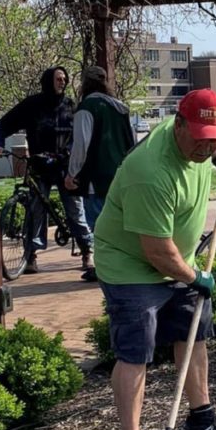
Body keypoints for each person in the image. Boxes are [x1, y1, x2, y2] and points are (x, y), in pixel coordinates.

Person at [95, 88, 216, 430]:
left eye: (215, 138)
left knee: (191, 335)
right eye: (200, 137)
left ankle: (201, 420)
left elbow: (207, 149)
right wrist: (195, 278)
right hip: (132, 267)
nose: (207, 145)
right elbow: (156, 252)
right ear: (177, 125)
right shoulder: (150, 172)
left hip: (178, 259)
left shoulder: (199, 144)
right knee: (135, 354)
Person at [0, 66, 93, 275]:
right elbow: (4, 124)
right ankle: (31, 256)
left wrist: (71, 158)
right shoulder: (32, 105)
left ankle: (87, 251)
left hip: (65, 167)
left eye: (64, 79)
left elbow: (79, 137)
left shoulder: (70, 106)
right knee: (35, 211)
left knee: (75, 210)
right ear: (48, 81)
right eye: (58, 79)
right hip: (39, 165)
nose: (62, 82)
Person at [64, 66, 136, 282]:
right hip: (122, 176)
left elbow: (81, 145)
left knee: (100, 227)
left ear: (84, 83)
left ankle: (107, 269)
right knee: (122, 224)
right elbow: (131, 143)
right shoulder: (121, 109)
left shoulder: (87, 108)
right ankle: (125, 265)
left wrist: (72, 173)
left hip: (97, 178)